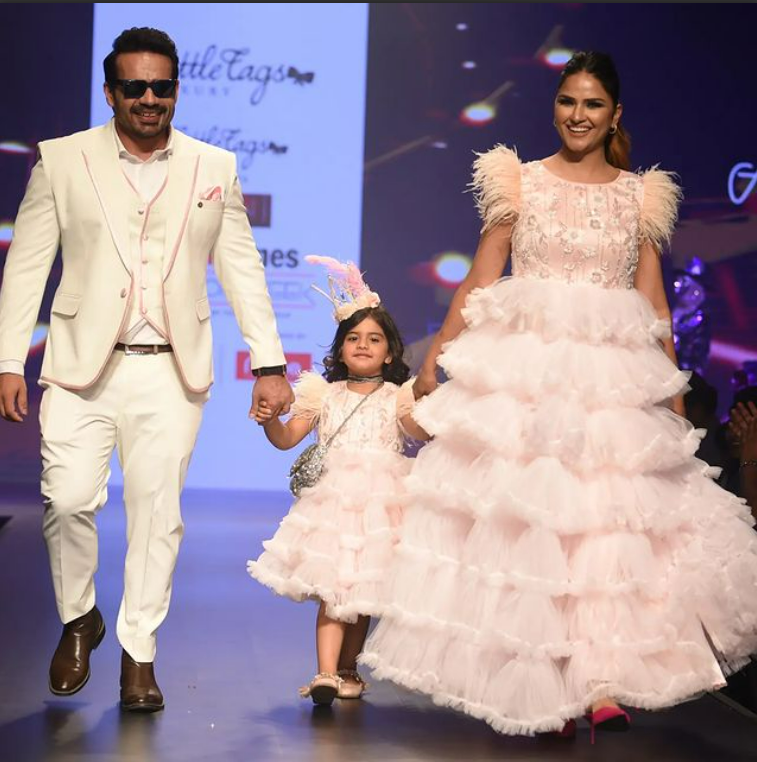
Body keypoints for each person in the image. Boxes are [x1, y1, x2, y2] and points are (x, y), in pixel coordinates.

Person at [360, 51, 757, 741]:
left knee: (603, 529)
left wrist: (670, 392)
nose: (578, 115)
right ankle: (543, 687)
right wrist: (435, 361)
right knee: (533, 530)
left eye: (592, 104)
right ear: (554, 108)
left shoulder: (640, 195)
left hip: (609, 383)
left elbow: (653, 302)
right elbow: (481, 277)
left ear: (615, 115)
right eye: (568, 101)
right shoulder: (519, 182)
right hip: (527, 380)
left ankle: (597, 681)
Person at [0, 27, 292, 712]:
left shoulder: (213, 165)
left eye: (161, 86)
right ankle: (80, 618)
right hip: (80, 367)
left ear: (176, 90)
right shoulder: (62, 160)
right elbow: (27, 266)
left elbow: (242, 269)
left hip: (170, 370)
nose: (149, 98)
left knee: (158, 516)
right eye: (135, 87)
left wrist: (270, 361)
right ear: (111, 92)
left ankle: (140, 655)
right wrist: (9, 359)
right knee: (67, 499)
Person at [248, 257, 427, 706]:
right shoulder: (322, 395)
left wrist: (431, 403)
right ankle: (325, 672)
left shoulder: (398, 397)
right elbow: (287, 439)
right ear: (340, 349)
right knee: (334, 589)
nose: (363, 345)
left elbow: (420, 431)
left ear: (390, 352)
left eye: (374, 339)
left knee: (363, 592)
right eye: (353, 338)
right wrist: (270, 422)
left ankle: (348, 669)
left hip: (381, 506)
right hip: (334, 505)